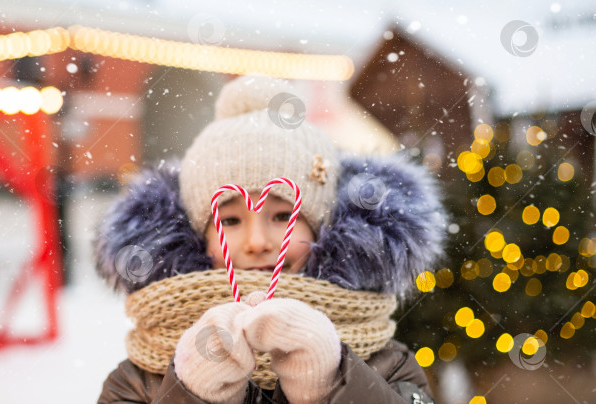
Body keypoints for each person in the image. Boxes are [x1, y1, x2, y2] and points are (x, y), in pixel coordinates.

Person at [95, 75, 447, 403]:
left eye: (282, 216)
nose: (257, 242)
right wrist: (192, 391)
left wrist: (331, 383)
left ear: (325, 227)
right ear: (195, 237)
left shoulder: (385, 362)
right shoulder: (141, 376)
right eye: (230, 220)